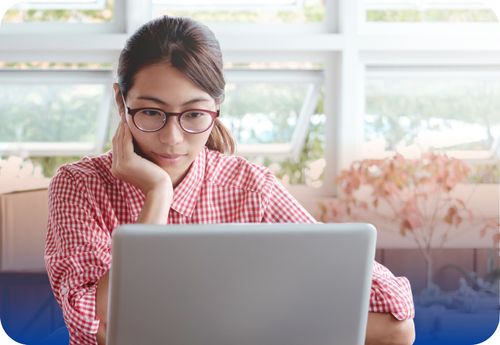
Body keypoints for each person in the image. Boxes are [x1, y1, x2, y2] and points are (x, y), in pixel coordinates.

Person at [44, 15, 415, 345]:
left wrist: (248, 322)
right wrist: (157, 193)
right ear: (120, 100)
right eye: (152, 112)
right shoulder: (79, 185)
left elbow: (395, 315)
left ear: (216, 108)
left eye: (193, 114)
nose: (172, 138)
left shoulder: (251, 187)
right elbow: (92, 326)